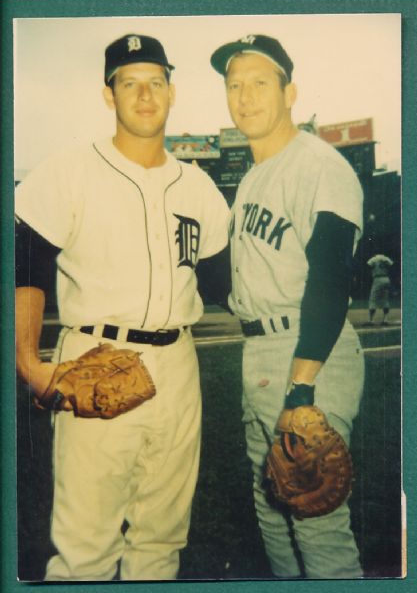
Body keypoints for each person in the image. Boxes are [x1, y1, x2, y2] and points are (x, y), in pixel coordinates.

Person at [15, 33, 230, 581]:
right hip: (96, 353)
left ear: (172, 93)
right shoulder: (68, 170)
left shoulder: (200, 186)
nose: (143, 95)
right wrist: (28, 363)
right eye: (128, 83)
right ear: (108, 95)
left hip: (179, 363)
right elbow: (27, 264)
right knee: (85, 546)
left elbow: (224, 281)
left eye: (155, 82)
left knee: (162, 539)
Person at [211, 34, 364, 578]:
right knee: (272, 509)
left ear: (290, 91)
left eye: (259, 83)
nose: (245, 97)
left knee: (313, 512)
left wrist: (303, 388)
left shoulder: (318, 164)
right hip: (261, 350)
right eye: (234, 86)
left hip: (307, 351)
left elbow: (328, 278)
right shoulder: (252, 178)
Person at [366, 253, 394, 325]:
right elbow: (392, 265)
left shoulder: (374, 259)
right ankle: (385, 320)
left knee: (373, 299)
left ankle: (371, 320)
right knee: (385, 299)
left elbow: (368, 265)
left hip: (378, 279)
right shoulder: (386, 259)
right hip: (386, 278)